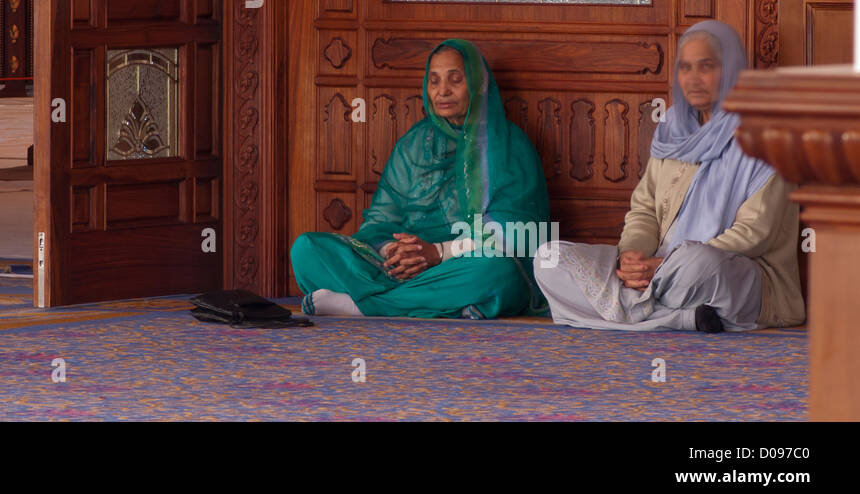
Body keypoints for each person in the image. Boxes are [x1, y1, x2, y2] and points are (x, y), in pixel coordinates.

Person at [533, 19, 805, 332]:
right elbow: (645, 210)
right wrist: (632, 257)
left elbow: (755, 233)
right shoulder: (674, 129)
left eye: (706, 66)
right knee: (548, 258)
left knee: (700, 265)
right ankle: (682, 319)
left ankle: (626, 312)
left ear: (731, 68)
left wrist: (666, 266)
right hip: (658, 270)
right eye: (685, 68)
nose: (693, 79)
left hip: (731, 272)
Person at [290, 38, 550, 318]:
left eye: (455, 80)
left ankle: (362, 306)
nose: (442, 91)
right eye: (434, 81)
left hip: (460, 263)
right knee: (307, 249)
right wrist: (397, 252)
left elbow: (519, 234)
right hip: (402, 270)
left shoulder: (508, 145)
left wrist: (437, 252)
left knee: (498, 272)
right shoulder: (413, 143)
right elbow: (379, 220)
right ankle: (439, 304)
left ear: (477, 84)